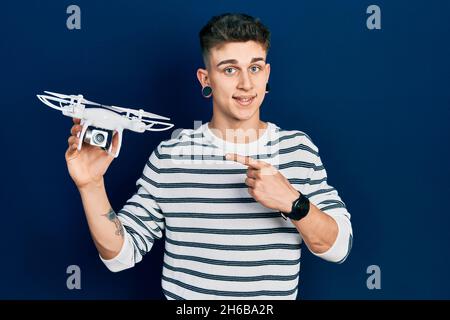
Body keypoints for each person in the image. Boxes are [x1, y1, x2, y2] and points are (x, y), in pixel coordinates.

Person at [65, 13, 353, 300]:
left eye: (254, 68)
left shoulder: (298, 149)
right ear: (206, 79)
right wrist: (91, 186)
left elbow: (338, 247)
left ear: (267, 74)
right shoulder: (172, 156)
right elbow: (120, 255)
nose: (245, 84)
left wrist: (293, 203)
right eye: (229, 70)